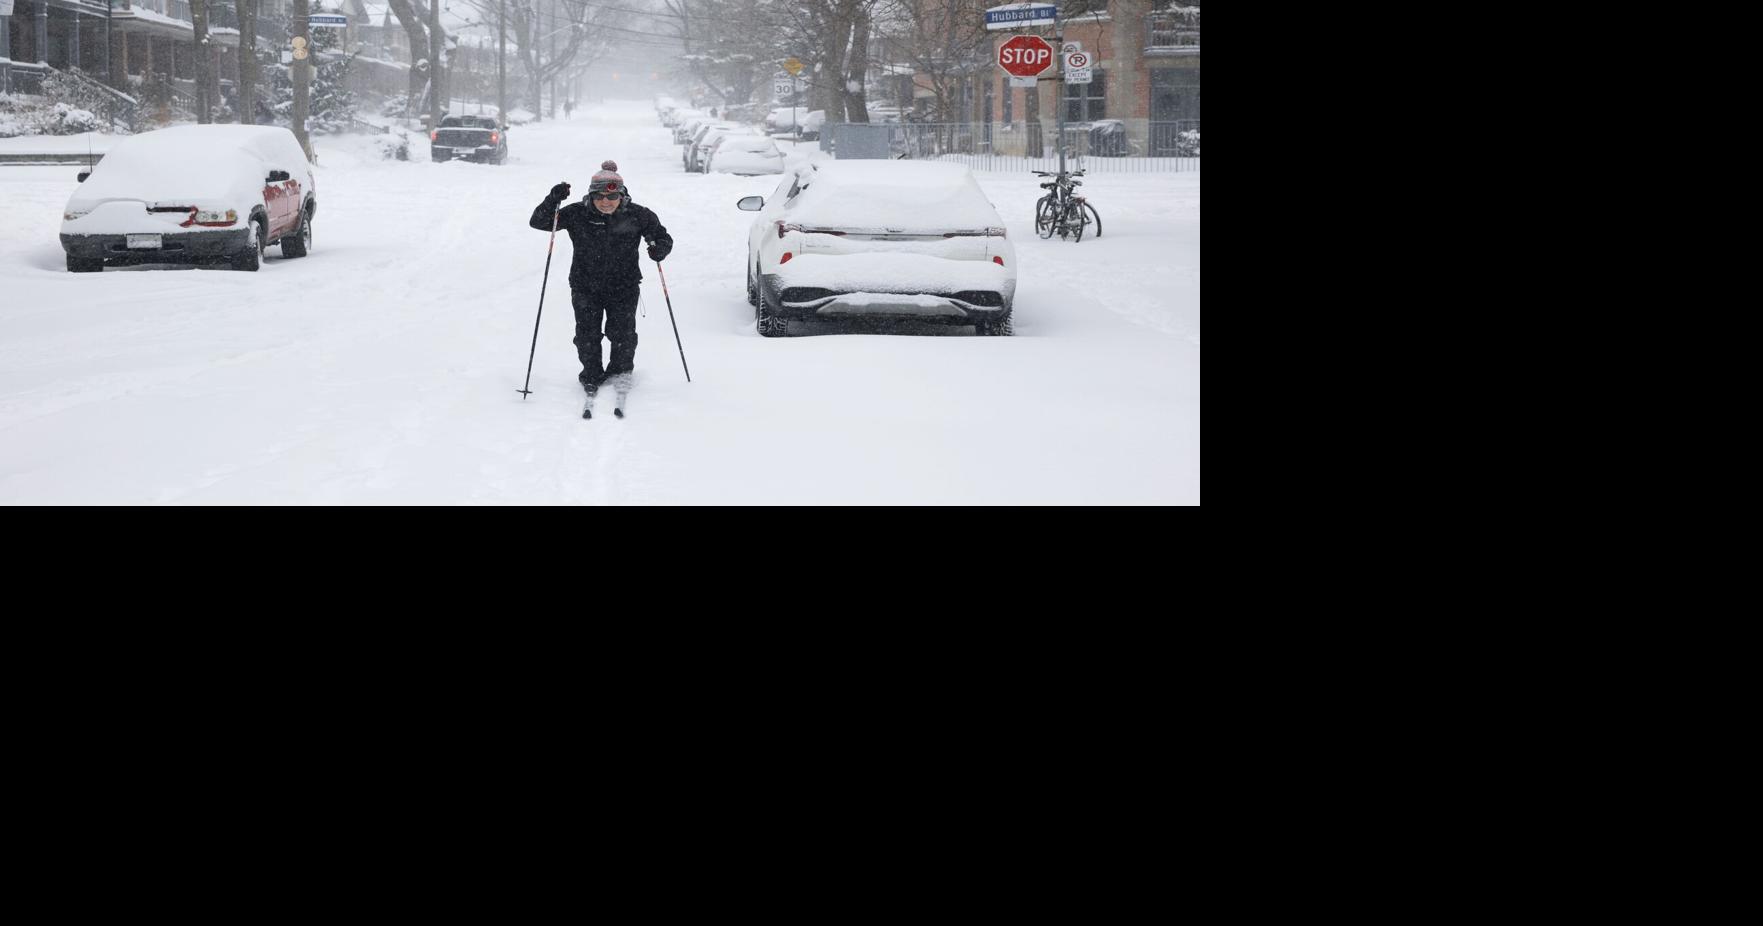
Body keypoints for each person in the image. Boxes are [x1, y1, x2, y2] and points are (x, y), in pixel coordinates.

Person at [529, 161, 673, 397]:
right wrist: (553, 200)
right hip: (585, 285)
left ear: (621, 195)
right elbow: (539, 222)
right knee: (587, 334)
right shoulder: (577, 213)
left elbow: (662, 237)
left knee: (623, 333)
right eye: (599, 197)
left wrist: (660, 249)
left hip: (624, 285)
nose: (606, 202)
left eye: (612, 197)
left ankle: (621, 372)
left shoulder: (638, 215)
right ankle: (591, 373)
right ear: (591, 195)